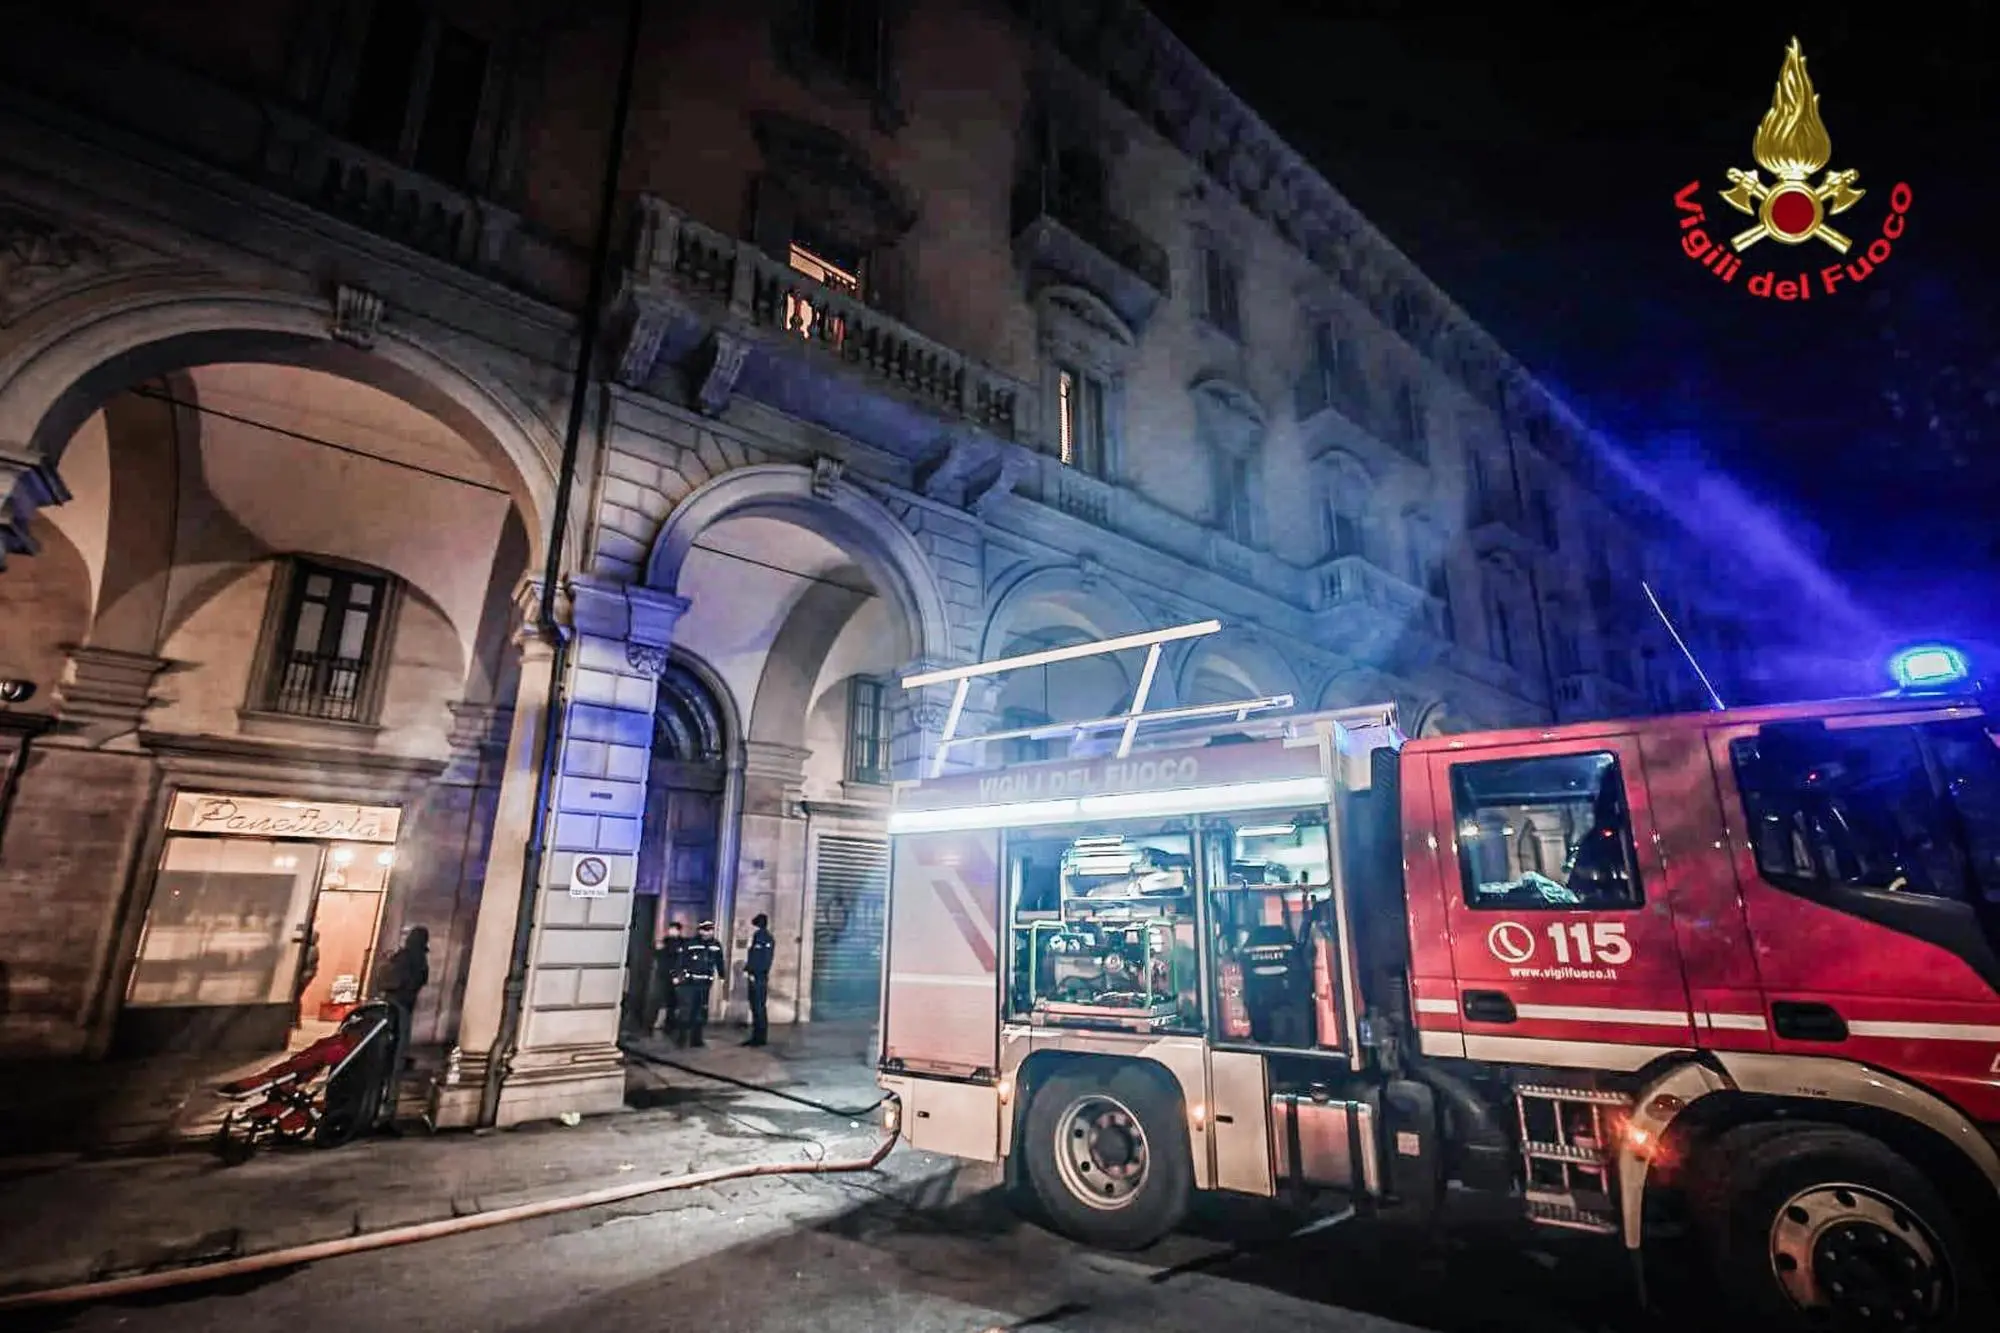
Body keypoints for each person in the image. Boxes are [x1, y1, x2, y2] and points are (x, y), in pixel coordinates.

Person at [675, 920, 725, 1048]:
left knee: (701, 1011)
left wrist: (722, 976)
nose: (708, 932)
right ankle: (682, 1038)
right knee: (686, 1010)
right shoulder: (691, 944)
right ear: (700, 930)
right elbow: (681, 960)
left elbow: (719, 961)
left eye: (710, 929)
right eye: (705, 929)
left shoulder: (716, 945)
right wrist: (678, 975)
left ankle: (696, 1039)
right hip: (690, 982)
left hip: (705, 983)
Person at [649, 921, 687, 1039]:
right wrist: (657, 949)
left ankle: (672, 1024)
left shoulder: (683, 943)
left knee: (674, 1001)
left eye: (674, 929)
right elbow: (658, 956)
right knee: (661, 998)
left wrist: (679, 975)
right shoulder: (665, 941)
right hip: (663, 975)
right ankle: (662, 1022)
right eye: (670, 929)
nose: (671, 931)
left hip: (675, 975)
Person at [742, 913, 775, 1046]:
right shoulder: (764, 937)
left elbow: (762, 959)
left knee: (758, 1006)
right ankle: (757, 1036)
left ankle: (759, 1038)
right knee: (757, 1007)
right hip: (758, 976)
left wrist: (753, 973)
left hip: (758, 977)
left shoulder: (762, 937)